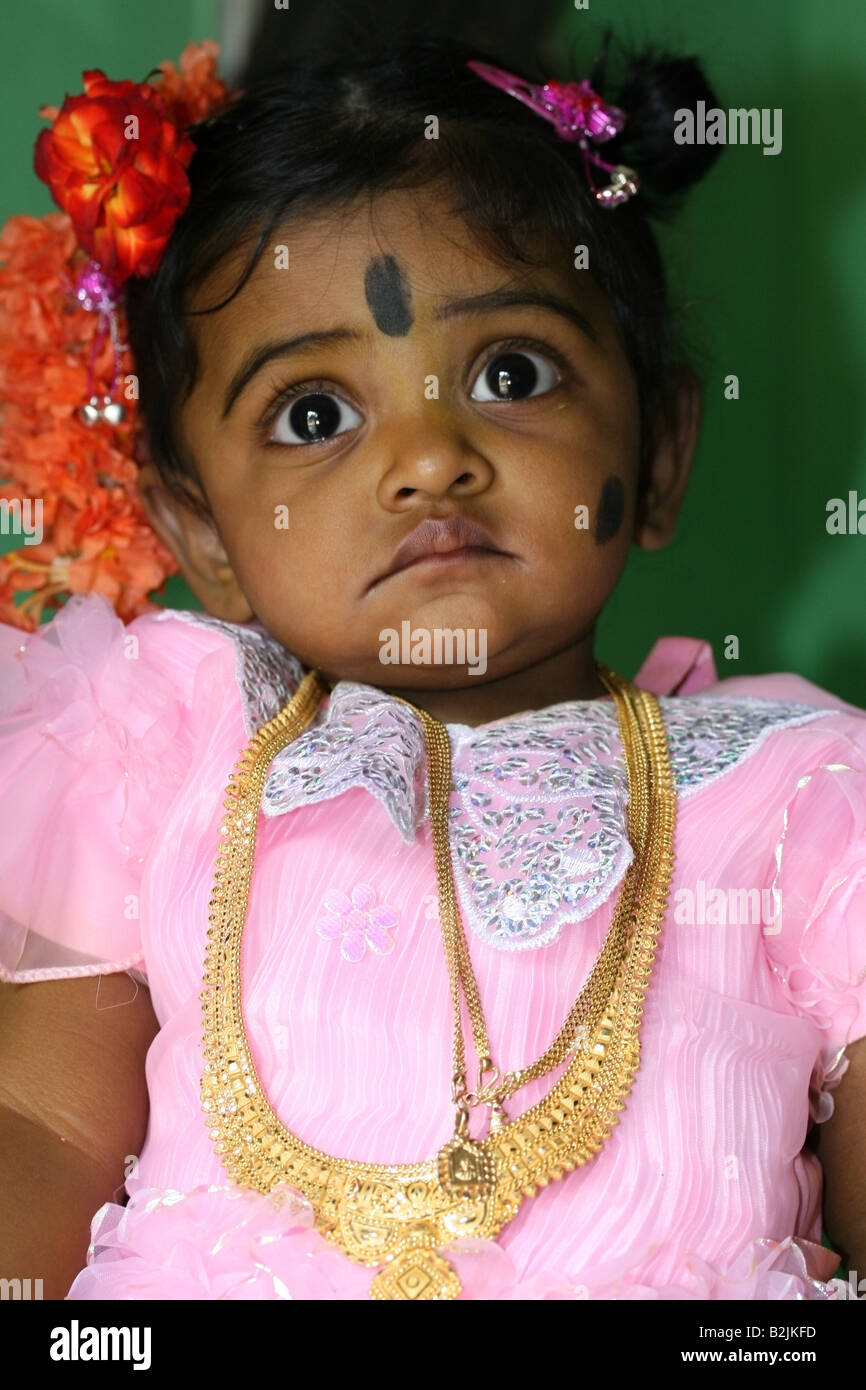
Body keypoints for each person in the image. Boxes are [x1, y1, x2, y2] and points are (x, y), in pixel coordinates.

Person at [0, 31, 863, 1302]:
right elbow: (47, 1132)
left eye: (509, 373)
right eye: (315, 414)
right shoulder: (153, 748)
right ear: (200, 533)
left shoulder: (799, 797)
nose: (425, 457)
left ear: (661, 447)